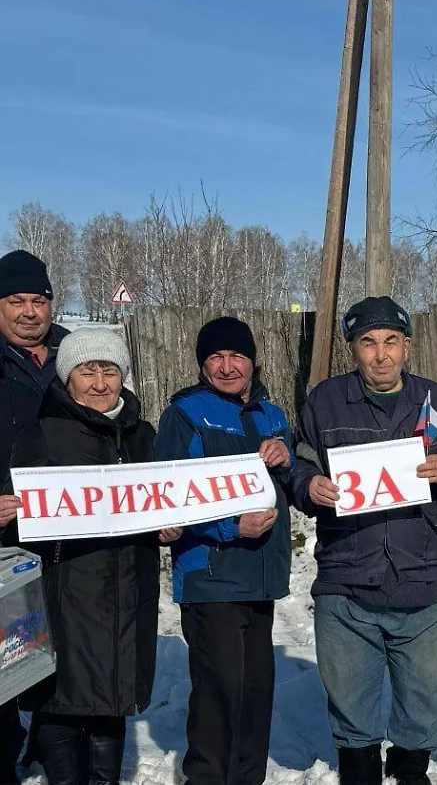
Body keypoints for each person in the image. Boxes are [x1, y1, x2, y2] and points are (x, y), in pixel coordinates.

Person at [291, 297, 437, 785]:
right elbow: (300, 465)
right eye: (368, 342)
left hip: (419, 574)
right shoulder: (324, 401)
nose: (381, 354)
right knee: (350, 703)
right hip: (347, 577)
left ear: (407, 346)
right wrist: (308, 486)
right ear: (353, 349)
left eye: (391, 341)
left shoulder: (435, 401)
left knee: (425, 699)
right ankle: (360, 774)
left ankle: (411, 773)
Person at [5, 329, 169, 785]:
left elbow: (161, 501)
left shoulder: (142, 436)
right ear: (68, 378)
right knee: (62, 699)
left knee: (112, 697)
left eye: (109, 371)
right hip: (67, 588)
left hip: (128, 589)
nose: (99, 383)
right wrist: (7, 516)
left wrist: (168, 526)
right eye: (87, 371)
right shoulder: (43, 434)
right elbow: (19, 514)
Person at [155, 316, 294, 785]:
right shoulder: (185, 414)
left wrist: (287, 457)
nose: (228, 366)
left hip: (260, 576)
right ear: (202, 364)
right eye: (216, 357)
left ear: (253, 361)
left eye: (237, 356)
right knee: (219, 697)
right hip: (210, 575)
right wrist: (230, 527)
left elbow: (292, 479)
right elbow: (168, 498)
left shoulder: (272, 414)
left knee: (255, 695)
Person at [0, 248, 69, 782]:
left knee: (61, 649)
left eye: (38, 301)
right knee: (5, 656)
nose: (29, 312)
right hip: (5, 537)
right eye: (16, 300)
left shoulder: (74, 357)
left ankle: (52, 745)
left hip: (67, 534)